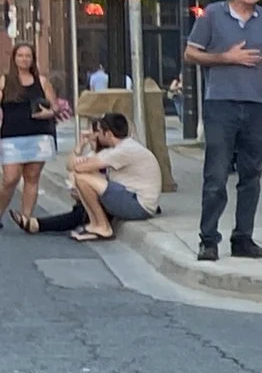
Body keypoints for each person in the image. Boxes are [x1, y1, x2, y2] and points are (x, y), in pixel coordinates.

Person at [182, 0, 262, 261]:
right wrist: (225, 58)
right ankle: (209, 239)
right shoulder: (213, 14)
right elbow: (189, 53)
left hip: (255, 105)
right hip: (221, 103)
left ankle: (243, 238)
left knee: (252, 174)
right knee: (216, 173)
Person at [36, 112, 159, 241]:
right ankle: (96, 225)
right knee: (82, 177)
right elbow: (71, 166)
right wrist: (81, 145)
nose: (97, 135)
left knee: (82, 177)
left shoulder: (123, 150)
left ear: (108, 134)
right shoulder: (119, 147)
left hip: (138, 204)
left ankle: (102, 227)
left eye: (99, 132)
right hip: (131, 197)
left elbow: (78, 168)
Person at [2, 42, 63, 233]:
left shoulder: (42, 82)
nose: (24, 59)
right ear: (14, 58)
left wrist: (49, 113)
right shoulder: (4, 81)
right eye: (20, 55)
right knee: (10, 179)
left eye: (28, 56)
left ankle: (26, 218)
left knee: (32, 177)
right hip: (11, 136)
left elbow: (55, 107)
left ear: (33, 59)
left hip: (39, 135)